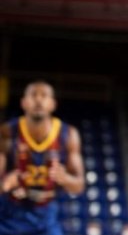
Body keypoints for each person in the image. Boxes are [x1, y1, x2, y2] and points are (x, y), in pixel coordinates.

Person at [0, 81, 85, 235]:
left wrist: (65, 178)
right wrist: (5, 184)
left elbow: (79, 186)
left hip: (45, 215)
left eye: (44, 95)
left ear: (53, 104)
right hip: (10, 212)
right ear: (23, 103)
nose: (38, 100)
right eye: (33, 95)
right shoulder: (7, 133)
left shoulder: (68, 134)